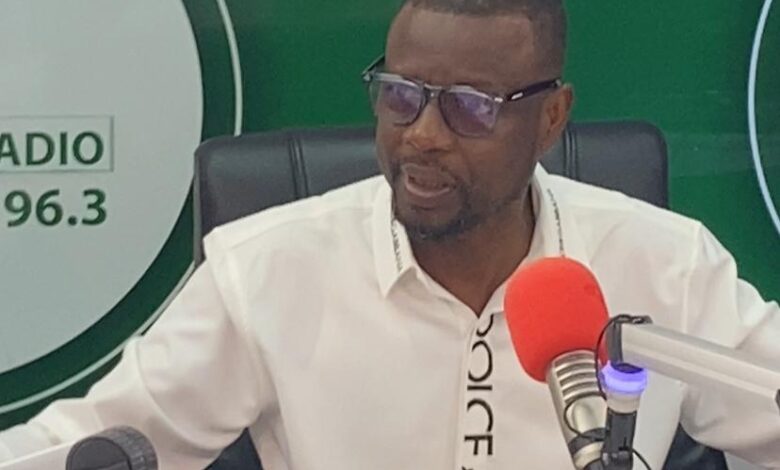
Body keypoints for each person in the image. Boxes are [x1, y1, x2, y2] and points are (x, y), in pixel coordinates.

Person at [2, 0, 779, 468]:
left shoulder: (665, 266)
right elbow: (93, 445)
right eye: (401, 95)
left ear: (550, 118)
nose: (422, 135)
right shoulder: (269, 270)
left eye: (471, 106)